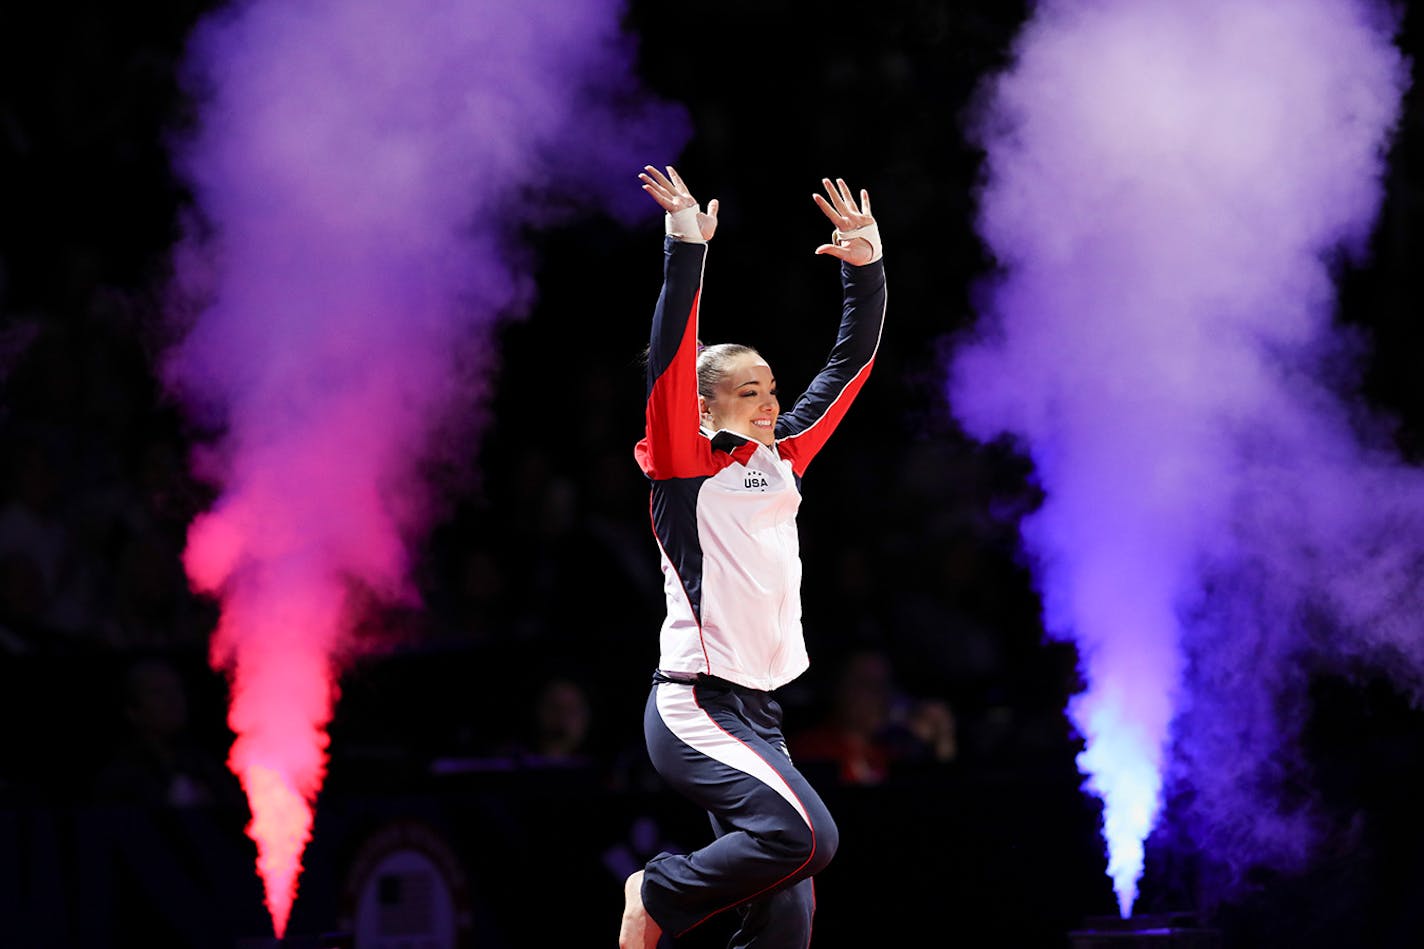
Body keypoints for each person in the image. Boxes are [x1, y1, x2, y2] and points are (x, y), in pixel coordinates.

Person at [619, 165, 886, 949]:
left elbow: (850, 364)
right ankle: (658, 888)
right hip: (695, 706)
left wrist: (867, 268)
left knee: (787, 915)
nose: (771, 404)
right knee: (811, 838)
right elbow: (672, 354)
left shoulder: (784, 456)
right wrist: (685, 248)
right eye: (748, 393)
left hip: (760, 715)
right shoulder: (682, 461)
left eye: (771, 390)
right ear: (703, 410)